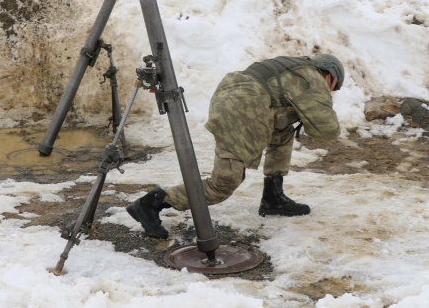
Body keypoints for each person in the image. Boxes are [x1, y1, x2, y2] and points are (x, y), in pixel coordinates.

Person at [127, 54, 344, 239]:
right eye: (333, 88)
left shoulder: (295, 68)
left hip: (235, 97)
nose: (330, 93)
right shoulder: (314, 79)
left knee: (283, 128)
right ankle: (152, 203)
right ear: (330, 77)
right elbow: (326, 131)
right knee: (224, 183)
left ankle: (273, 197)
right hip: (244, 108)